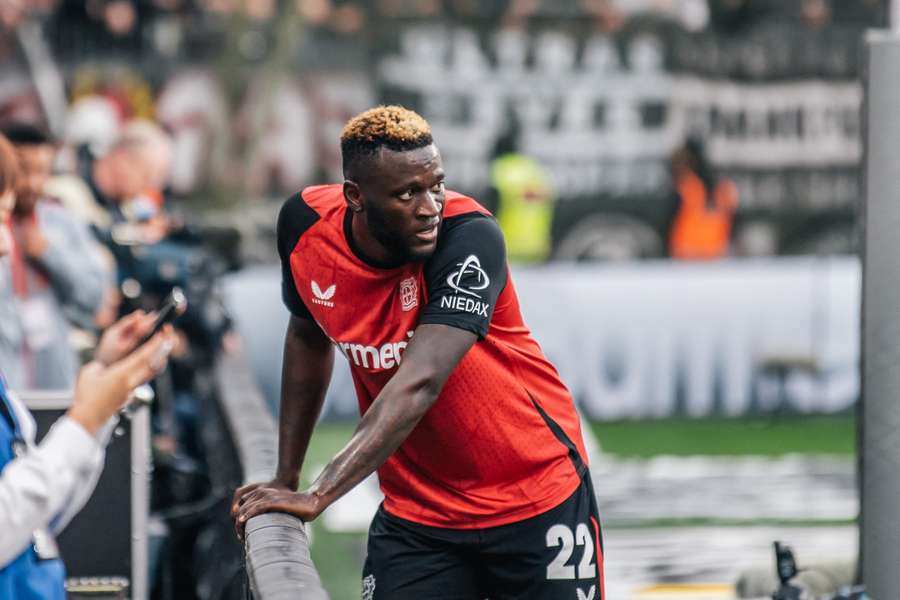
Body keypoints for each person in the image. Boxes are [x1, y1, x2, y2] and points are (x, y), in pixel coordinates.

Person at [233, 106, 605, 599]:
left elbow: (420, 381)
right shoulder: (304, 224)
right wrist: (286, 475)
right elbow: (307, 336)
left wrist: (318, 493)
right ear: (355, 198)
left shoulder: (468, 234)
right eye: (408, 193)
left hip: (535, 497)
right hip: (419, 516)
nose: (430, 206)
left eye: (436, 185)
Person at [0, 132, 176, 597]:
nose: (5, 245)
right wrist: (84, 421)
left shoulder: (60, 222)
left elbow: (37, 514)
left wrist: (99, 392)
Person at [1, 123, 110, 390]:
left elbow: (96, 297)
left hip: (54, 385)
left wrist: (49, 253)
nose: (33, 183)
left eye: (42, 171)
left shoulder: (62, 221)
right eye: (23, 171)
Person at [668, 136, 738, 260]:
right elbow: (734, 219)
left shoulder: (687, 185)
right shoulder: (724, 187)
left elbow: (669, 218)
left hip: (687, 252)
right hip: (715, 252)